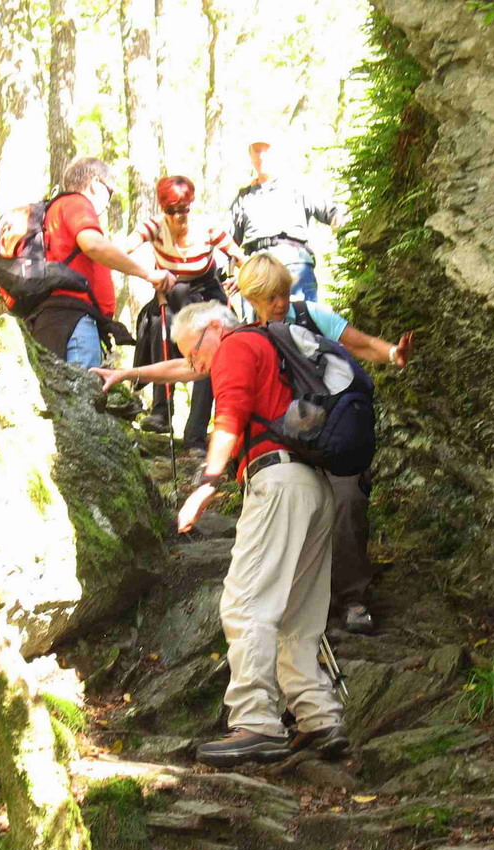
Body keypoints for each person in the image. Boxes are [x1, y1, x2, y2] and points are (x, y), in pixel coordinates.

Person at [91, 253, 414, 634]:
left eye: (282, 294)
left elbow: (360, 345)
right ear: (252, 299)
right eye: (269, 298)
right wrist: (132, 372)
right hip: (290, 442)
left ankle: (352, 597)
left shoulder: (308, 316)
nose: (278, 303)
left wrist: (392, 353)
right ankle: (313, 604)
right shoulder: (244, 336)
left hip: (329, 429)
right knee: (309, 510)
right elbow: (193, 366)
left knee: (348, 503)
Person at [171, 301, 347, 766]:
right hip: (315, 486)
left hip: (277, 481)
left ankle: (255, 723)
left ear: (212, 328)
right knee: (299, 614)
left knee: (246, 602)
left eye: (192, 353)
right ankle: (319, 718)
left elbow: (229, 414)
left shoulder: (235, 345)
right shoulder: (274, 346)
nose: (196, 365)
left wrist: (207, 483)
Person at [128, 176, 248, 450]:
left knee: (210, 350)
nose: (179, 216)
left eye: (184, 209)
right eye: (172, 211)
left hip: (206, 295)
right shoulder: (153, 227)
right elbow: (122, 249)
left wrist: (242, 278)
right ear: (163, 209)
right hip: (171, 296)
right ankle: (161, 411)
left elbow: (242, 257)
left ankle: (196, 434)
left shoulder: (207, 227)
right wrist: (148, 274)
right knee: (159, 323)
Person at [26, 156, 175, 369]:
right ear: (95, 184)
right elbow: (93, 245)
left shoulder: (57, 211)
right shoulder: (77, 203)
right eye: (110, 192)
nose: (108, 202)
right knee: (80, 397)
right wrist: (147, 274)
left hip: (56, 321)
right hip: (74, 321)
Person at [229, 134, 346, 302]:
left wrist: (346, 227)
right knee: (260, 326)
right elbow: (228, 241)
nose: (261, 156)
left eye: (266, 151)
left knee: (303, 319)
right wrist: (228, 272)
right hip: (258, 267)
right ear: (251, 157)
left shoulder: (298, 186)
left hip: (294, 261)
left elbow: (332, 212)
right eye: (256, 151)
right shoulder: (244, 197)